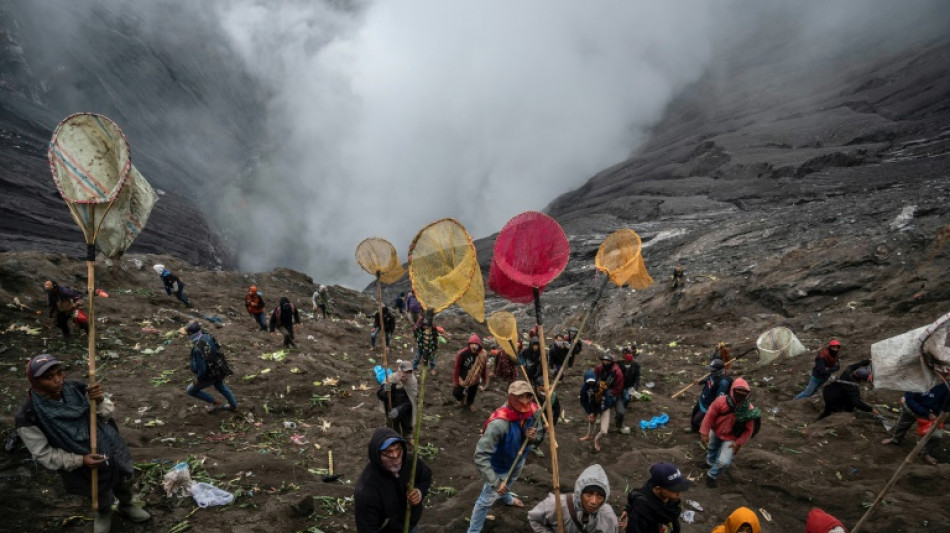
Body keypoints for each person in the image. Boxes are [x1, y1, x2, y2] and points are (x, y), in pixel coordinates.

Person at [15, 354, 150, 532]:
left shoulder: (77, 389)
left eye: (59, 373)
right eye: (49, 378)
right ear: (35, 382)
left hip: (107, 443)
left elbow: (108, 414)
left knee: (120, 475)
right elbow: (43, 454)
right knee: (97, 488)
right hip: (76, 458)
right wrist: (80, 460)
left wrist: (100, 400)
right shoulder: (28, 415)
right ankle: (103, 512)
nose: (57, 380)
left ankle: (127, 504)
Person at [467, 381, 544, 533]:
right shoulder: (499, 423)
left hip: (519, 459)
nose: (524, 401)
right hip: (498, 466)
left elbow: (540, 433)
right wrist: (495, 482)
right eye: (519, 397)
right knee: (485, 502)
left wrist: (531, 437)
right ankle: (473, 531)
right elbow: (481, 455)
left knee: (511, 480)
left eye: (528, 396)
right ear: (510, 397)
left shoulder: (534, 411)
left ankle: (505, 497)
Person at [354, 427, 432, 533]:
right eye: (388, 452)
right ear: (377, 455)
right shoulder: (366, 492)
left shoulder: (410, 462)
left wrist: (419, 492)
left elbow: (425, 477)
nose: (395, 456)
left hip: (410, 522)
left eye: (398, 449)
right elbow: (367, 528)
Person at [700, 378, 760, 488]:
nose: (741, 393)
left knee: (724, 462)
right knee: (711, 448)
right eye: (739, 390)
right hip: (716, 430)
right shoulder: (721, 401)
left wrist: (739, 443)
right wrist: (704, 432)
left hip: (732, 437)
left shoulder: (749, 409)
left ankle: (712, 475)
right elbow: (710, 416)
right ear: (733, 389)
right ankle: (710, 463)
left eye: (744, 392)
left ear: (748, 394)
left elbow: (749, 430)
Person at [527, 463, 618, 533]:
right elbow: (534, 518)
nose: (594, 501)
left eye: (599, 496)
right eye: (588, 495)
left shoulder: (608, 517)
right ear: (580, 493)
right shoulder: (556, 505)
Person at [881, 380, 950, 465]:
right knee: (902, 425)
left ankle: (925, 453)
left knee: (936, 436)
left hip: (931, 413)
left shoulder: (947, 386)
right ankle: (895, 439)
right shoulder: (918, 379)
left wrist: (938, 415)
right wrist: (926, 413)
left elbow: (945, 404)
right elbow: (909, 399)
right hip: (912, 409)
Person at [619, 462, 690, 533]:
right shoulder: (642, 513)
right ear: (658, 489)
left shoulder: (670, 501)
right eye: (674, 490)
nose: (679, 494)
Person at [185, 321, 237, 413]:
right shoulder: (208, 336)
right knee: (220, 386)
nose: (187, 336)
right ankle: (233, 405)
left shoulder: (197, 349)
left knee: (190, 390)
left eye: (188, 334)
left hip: (209, 374)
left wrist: (198, 379)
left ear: (192, 334)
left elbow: (203, 368)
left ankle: (214, 402)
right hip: (218, 368)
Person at [579, 355, 624, 451]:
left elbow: (604, 402)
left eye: (608, 361)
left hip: (605, 405)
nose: (605, 363)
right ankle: (589, 435)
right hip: (594, 406)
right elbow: (583, 401)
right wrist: (590, 412)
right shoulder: (584, 388)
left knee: (604, 431)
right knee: (591, 420)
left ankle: (596, 439)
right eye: (604, 361)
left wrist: (594, 413)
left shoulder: (602, 388)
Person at [690, 360, 733, 432]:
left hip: (708, 405)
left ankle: (702, 431)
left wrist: (713, 409)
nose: (710, 372)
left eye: (712, 370)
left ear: (718, 371)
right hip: (703, 399)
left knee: (697, 420)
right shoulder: (714, 374)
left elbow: (719, 398)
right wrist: (700, 381)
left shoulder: (723, 382)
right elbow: (708, 379)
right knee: (694, 413)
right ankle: (694, 428)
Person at [378, 360, 418, 437]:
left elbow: (411, 400)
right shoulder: (390, 379)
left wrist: (399, 409)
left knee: (407, 430)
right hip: (391, 409)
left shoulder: (412, 382)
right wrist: (389, 387)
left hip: (405, 411)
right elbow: (380, 395)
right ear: (399, 370)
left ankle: (407, 442)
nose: (406, 375)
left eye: (409, 372)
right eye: (404, 372)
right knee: (393, 431)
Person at [453, 334, 489, 412]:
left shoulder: (481, 354)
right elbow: (457, 367)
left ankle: (470, 403)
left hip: (475, 377)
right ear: (469, 344)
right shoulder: (462, 354)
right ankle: (462, 397)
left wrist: (485, 379)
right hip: (463, 377)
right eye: (472, 344)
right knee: (456, 392)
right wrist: (455, 380)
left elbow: (483, 367)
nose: (474, 347)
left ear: (479, 346)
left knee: (472, 392)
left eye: (477, 345)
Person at [617, 346, 642, 434]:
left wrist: (635, 389)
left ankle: (619, 421)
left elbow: (637, 378)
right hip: (618, 387)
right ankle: (618, 422)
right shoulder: (618, 364)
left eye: (630, 354)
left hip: (629, 388)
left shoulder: (636, 365)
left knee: (625, 401)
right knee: (618, 405)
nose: (629, 355)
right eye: (627, 354)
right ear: (623, 355)